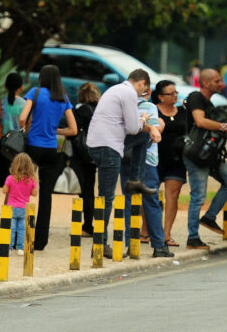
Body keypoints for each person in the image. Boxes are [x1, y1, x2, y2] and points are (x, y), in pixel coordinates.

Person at [86, 69, 161, 259]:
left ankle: (135, 179)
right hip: (108, 147)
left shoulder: (115, 89)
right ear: (142, 83)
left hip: (98, 143)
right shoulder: (129, 93)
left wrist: (147, 127)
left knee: (144, 138)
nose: (142, 95)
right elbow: (133, 127)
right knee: (106, 198)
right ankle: (101, 245)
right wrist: (145, 120)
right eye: (143, 91)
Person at [18, 64, 77, 251]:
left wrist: (28, 128)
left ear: (42, 77)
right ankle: (41, 241)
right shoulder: (63, 98)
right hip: (51, 150)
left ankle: (18, 236)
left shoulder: (35, 93)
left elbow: (22, 117)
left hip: (33, 147)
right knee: (46, 195)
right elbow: (73, 129)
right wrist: (54, 130)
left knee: (21, 189)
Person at [183, 68, 227, 250]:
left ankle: (209, 217)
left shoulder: (210, 103)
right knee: (198, 195)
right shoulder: (195, 97)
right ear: (206, 83)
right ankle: (193, 238)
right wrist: (224, 126)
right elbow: (200, 122)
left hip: (211, 154)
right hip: (196, 154)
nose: (222, 84)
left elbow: (216, 130)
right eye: (217, 81)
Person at [119, 87, 175, 258]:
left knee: (129, 202)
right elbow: (155, 132)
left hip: (125, 159)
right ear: (148, 90)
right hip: (147, 162)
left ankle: (131, 245)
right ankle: (159, 246)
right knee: (151, 202)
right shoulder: (150, 107)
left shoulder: (121, 106)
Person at [0, 73, 26, 222]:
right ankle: (6, 223)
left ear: (5, 86)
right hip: (15, 151)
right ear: (21, 88)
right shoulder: (25, 104)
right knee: (12, 189)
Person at [153, 80, 187, 247]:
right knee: (150, 195)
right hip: (155, 159)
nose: (175, 96)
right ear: (160, 97)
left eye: (176, 92)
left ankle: (166, 234)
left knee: (172, 196)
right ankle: (146, 231)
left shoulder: (182, 111)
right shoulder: (153, 111)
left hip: (177, 160)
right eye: (170, 93)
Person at [70, 82, 101, 237]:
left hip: (80, 154)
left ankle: (86, 225)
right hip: (94, 153)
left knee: (83, 191)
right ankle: (91, 224)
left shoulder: (79, 110)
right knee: (90, 190)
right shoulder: (100, 110)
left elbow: (73, 131)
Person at [2, 153, 39, 256]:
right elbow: (34, 194)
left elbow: (5, 191)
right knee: (22, 229)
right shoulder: (31, 180)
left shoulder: (10, 178)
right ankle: (20, 248)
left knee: (11, 228)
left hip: (12, 207)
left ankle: (9, 247)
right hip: (24, 208)